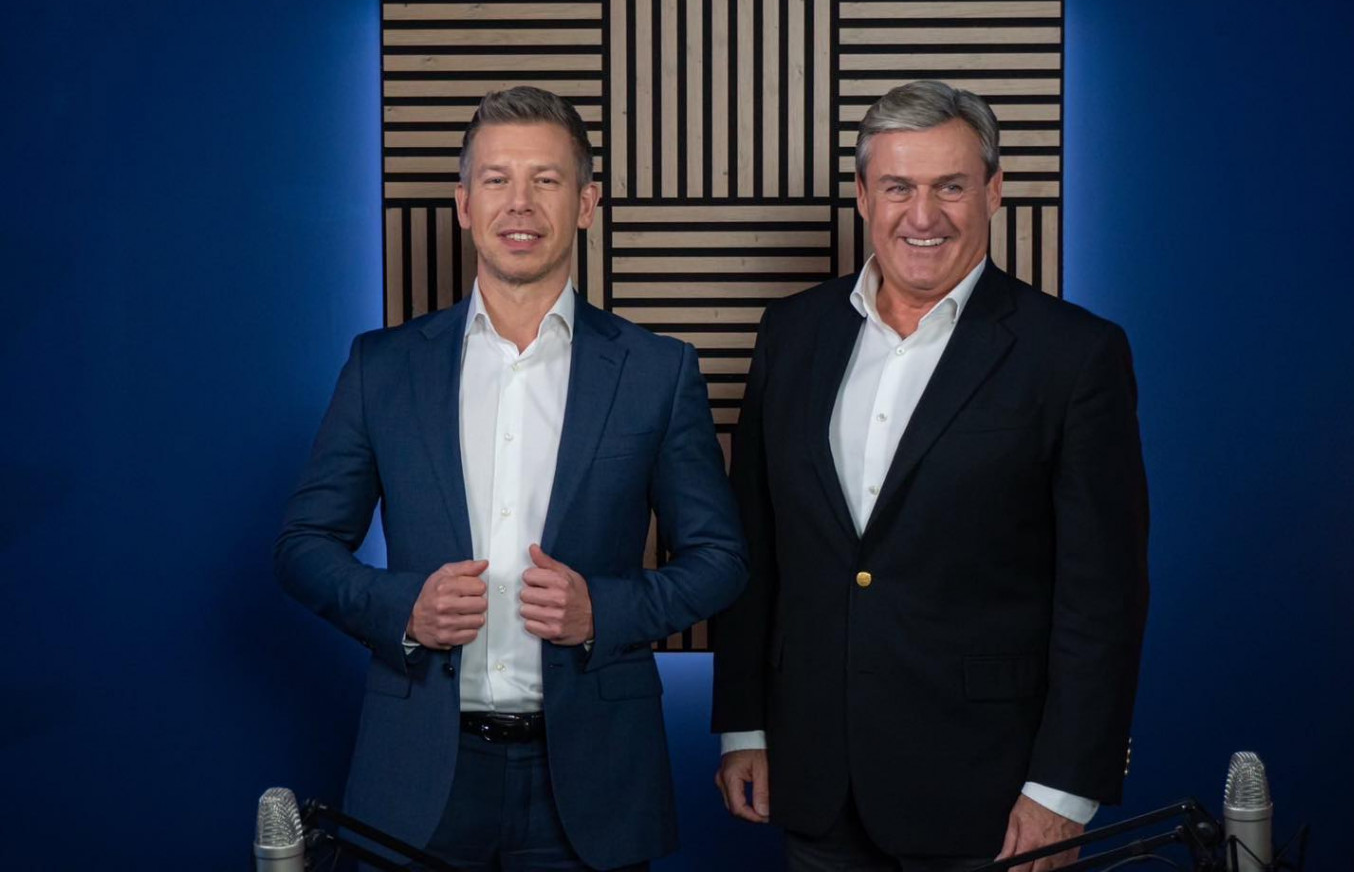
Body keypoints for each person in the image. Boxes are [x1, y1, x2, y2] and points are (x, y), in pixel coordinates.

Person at [276, 86, 747, 871]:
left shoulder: (657, 372)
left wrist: (603, 609)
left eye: (546, 179)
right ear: (465, 203)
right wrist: (405, 607)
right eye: (496, 179)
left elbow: (721, 559)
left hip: (594, 778)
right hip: (418, 773)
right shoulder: (382, 367)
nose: (519, 202)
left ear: (586, 203)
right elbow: (302, 545)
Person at [711, 80, 1149, 872]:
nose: (923, 215)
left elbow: (1103, 595)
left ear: (993, 189)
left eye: (950, 186)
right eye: (898, 187)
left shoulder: (1074, 354)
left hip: (991, 795)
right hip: (816, 782)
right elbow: (757, 548)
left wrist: (1064, 789)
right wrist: (744, 723)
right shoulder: (792, 333)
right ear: (862, 196)